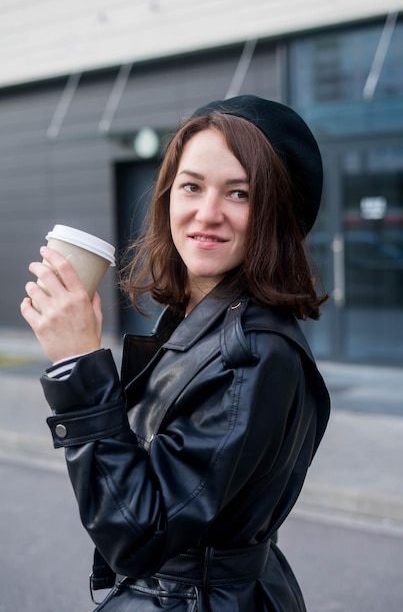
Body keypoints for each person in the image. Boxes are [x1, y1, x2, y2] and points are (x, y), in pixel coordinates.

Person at [21, 94, 330, 612]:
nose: (207, 214)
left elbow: (139, 535)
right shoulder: (200, 321)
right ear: (167, 195)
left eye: (239, 193)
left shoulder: (250, 351)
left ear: (275, 214)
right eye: (191, 186)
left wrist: (77, 363)